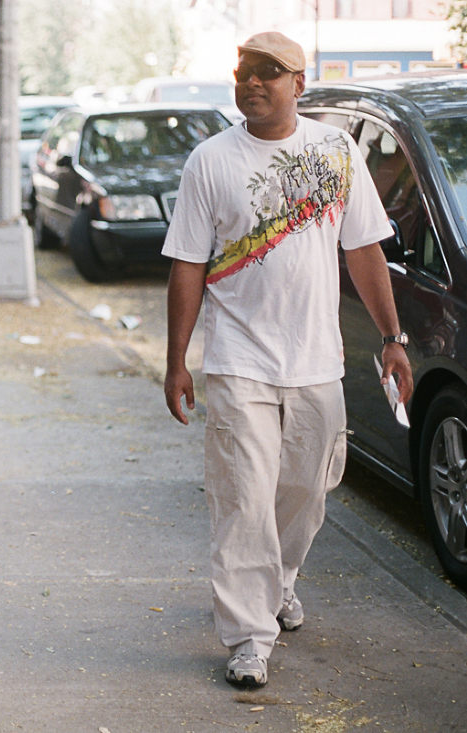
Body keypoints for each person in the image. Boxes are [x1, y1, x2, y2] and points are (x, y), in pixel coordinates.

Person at [162, 31, 413, 688]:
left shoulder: (334, 151)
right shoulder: (209, 161)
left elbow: (362, 249)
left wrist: (392, 336)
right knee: (242, 497)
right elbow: (187, 264)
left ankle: (278, 580)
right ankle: (247, 635)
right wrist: (176, 359)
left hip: (315, 361)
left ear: (297, 85)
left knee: (305, 491)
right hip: (237, 357)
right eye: (244, 71)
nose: (252, 82)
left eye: (269, 73)